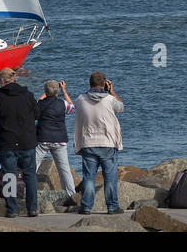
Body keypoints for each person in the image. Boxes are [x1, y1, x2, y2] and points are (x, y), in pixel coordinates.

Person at [0, 67, 39, 217]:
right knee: (30, 174)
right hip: (27, 141)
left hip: (6, 142)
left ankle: (11, 209)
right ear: (14, 79)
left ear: (2, 80)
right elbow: (37, 114)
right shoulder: (28, 96)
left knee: (9, 175)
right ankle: (33, 208)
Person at [73, 71, 124, 215]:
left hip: (88, 142)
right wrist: (112, 91)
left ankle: (86, 207)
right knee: (110, 176)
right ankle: (112, 207)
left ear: (90, 83)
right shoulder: (109, 99)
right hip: (107, 142)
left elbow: (77, 106)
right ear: (104, 84)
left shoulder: (81, 99)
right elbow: (121, 107)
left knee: (89, 176)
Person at [36, 79, 76, 196]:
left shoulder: (40, 104)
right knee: (64, 169)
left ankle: (26, 191)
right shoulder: (62, 103)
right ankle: (71, 194)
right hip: (60, 140)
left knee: (32, 166)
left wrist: (46, 92)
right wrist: (64, 90)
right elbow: (72, 107)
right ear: (57, 92)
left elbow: (39, 101)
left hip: (43, 139)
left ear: (45, 92)